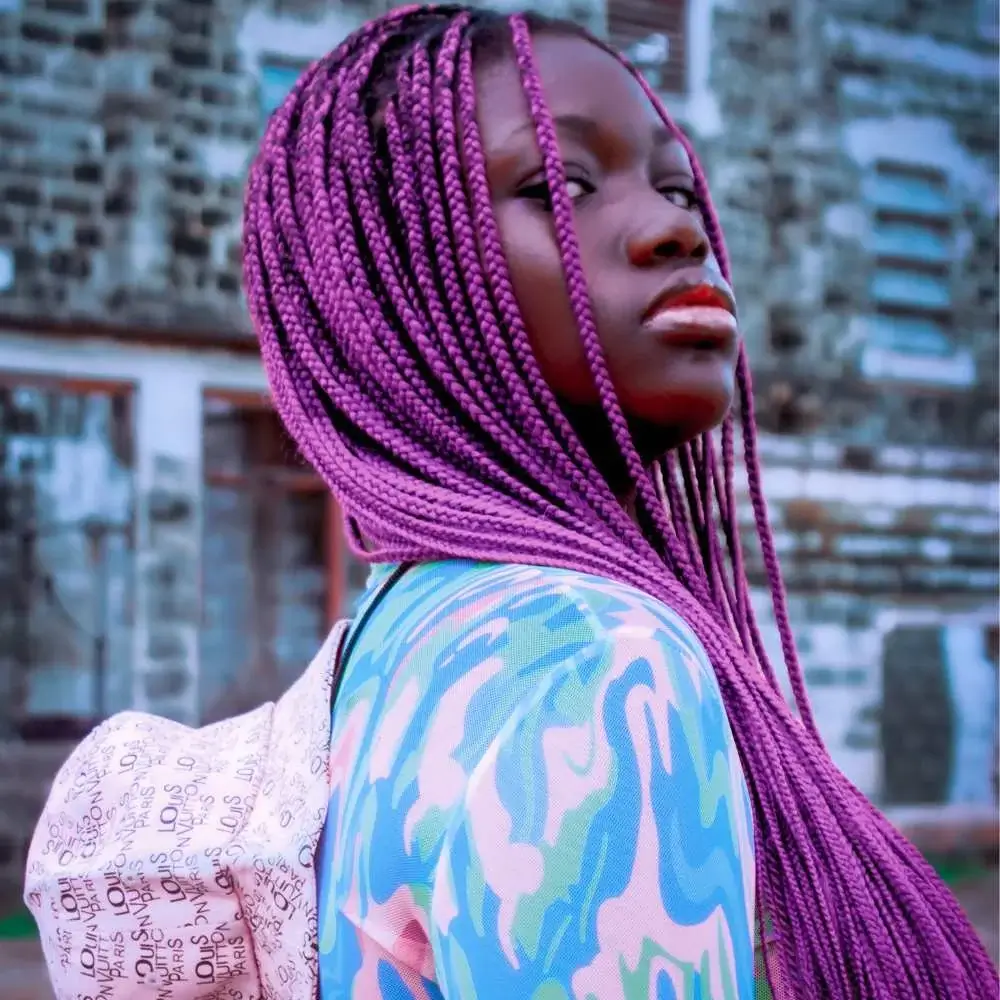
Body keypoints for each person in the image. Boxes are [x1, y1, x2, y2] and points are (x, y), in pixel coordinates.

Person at [24, 4, 996, 999]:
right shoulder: (592, 660)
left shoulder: (399, 638)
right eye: (560, 184)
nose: (673, 230)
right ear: (391, 277)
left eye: (673, 183)